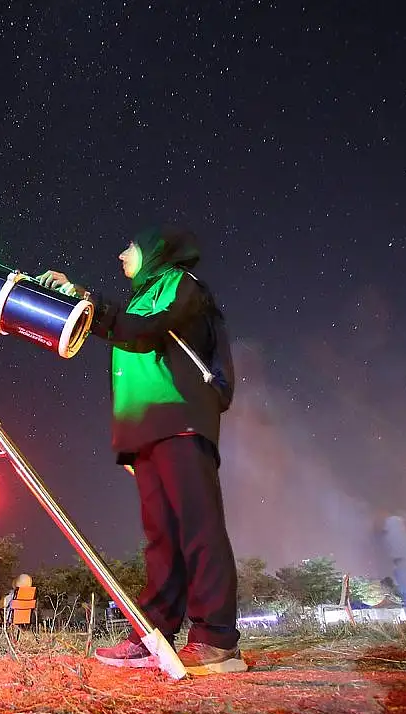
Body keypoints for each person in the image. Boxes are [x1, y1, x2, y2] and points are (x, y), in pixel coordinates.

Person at [38, 227, 243, 674]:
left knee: (198, 528)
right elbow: (129, 328)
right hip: (146, 429)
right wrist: (79, 296)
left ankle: (217, 640)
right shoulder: (139, 298)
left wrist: (92, 304)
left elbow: (148, 331)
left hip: (180, 419)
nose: (120, 254)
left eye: (128, 246)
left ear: (153, 250)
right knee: (161, 538)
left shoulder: (179, 283)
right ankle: (155, 636)